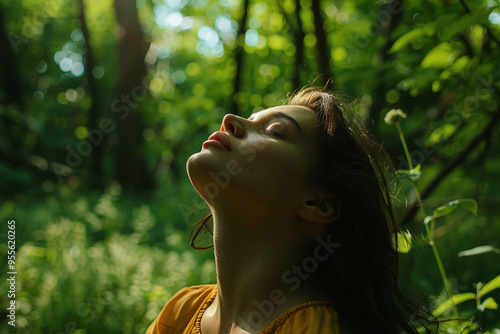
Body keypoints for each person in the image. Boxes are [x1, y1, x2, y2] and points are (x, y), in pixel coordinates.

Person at [146, 86, 433, 333]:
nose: (229, 120)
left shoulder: (311, 327)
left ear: (316, 204)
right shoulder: (179, 313)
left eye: (274, 131)